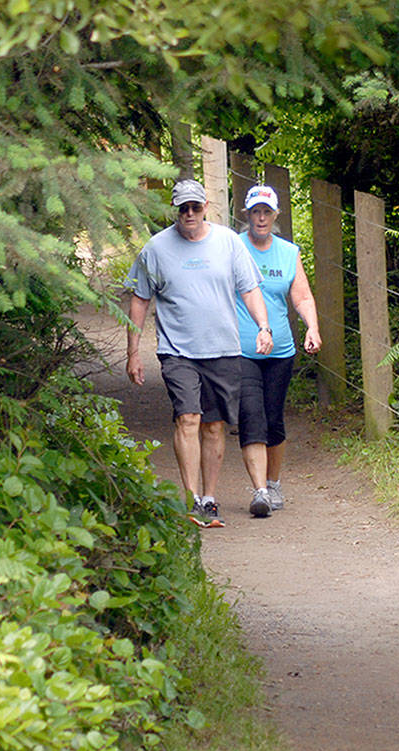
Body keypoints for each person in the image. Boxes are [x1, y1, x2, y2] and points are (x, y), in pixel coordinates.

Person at [125, 178, 274, 528]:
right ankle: (191, 497)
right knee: (187, 417)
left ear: (206, 206)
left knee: (213, 424)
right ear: (175, 210)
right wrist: (132, 351)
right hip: (177, 350)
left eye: (195, 207)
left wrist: (263, 327)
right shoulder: (156, 249)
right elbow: (139, 299)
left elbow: (249, 288)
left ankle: (209, 497)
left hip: (222, 348)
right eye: (183, 208)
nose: (189, 213)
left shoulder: (228, 243)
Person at [236, 184, 321, 517]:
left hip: (281, 351)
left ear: (274, 216)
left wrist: (312, 327)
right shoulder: (234, 247)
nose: (260, 218)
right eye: (255, 212)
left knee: (274, 419)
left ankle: (273, 482)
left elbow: (301, 297)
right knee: (250, 416)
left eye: (266, 212)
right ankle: (259, 491)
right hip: (241, 349)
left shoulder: (288, 252)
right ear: (247, 215)